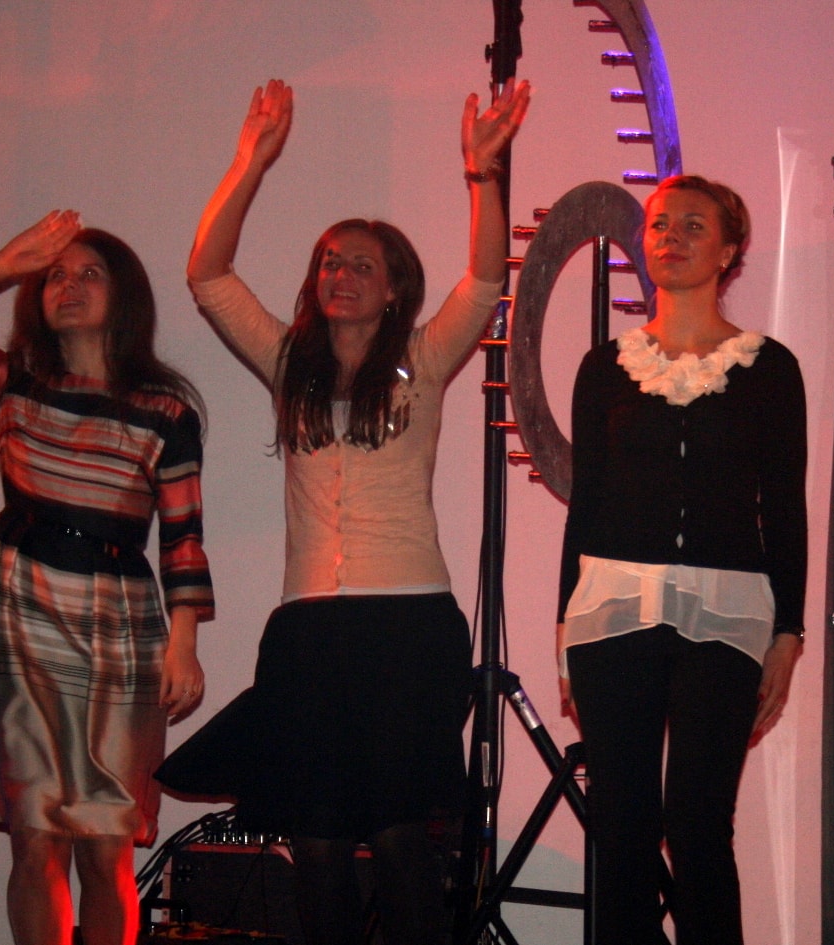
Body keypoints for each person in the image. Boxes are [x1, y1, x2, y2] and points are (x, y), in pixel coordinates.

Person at [186, 78, 529, 945]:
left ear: (393, 289)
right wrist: (249, 161)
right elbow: (208, 276)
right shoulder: (289, 365)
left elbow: (486, 277)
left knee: (399, 833)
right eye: (330, 263)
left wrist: (481, 175)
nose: (340, 276)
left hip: (406, 624)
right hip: (308, 627)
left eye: (361, 265)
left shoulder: (422, 359)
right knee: (315, 837)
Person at [0, 219, 214, 945]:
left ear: (124, 295)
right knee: (35, 838)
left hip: (118, 628)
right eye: (54, 275)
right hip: (18, 618)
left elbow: (182, 539)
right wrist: (6, 260)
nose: (68, 286)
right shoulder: (11, 383)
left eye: (88, 274)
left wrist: (183, 646)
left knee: (106, 843)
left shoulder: (166, 411)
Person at [556, 174, 807, 945]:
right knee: (620, 826)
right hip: (610, 607)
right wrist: (563, 627)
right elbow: (586, 505)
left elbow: (784, 505)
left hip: (727, 610)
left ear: (729, 251)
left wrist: (788, 632)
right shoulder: (605, 365)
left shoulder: (769, 367)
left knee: (697, 822)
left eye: (693, 225)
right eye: (660, 223)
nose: (670, 237)